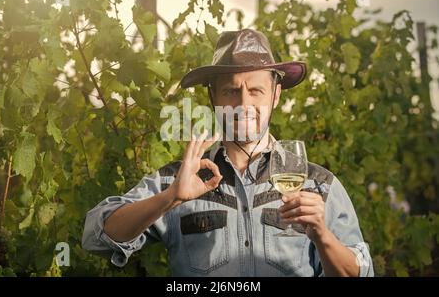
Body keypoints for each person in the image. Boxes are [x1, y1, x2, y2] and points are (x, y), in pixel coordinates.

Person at [82, 29, 374, 277]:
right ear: (213, 97)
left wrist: (322, 235)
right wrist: (168, 198)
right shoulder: (180, 179)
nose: (243, 103)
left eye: (256, 91)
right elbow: (97, 236)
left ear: (275, 95)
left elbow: (361, 271)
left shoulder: (318, 184)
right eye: (232, 91)